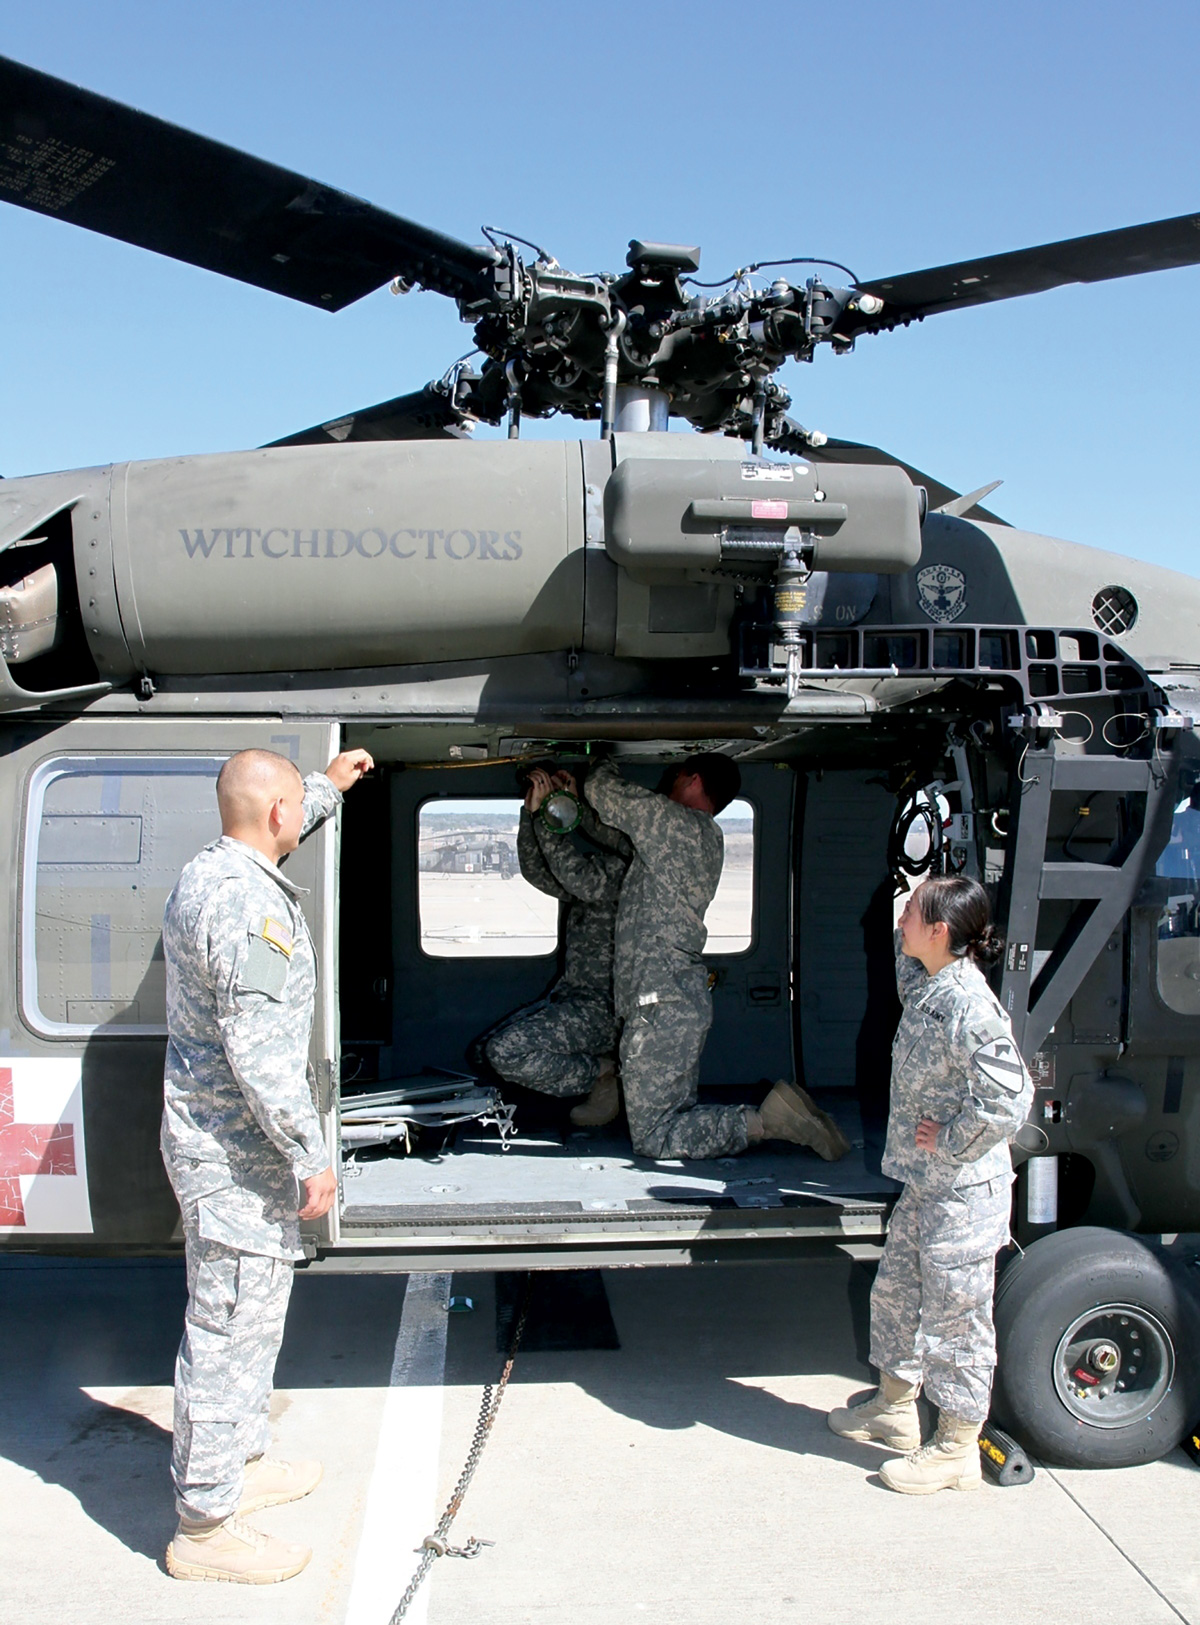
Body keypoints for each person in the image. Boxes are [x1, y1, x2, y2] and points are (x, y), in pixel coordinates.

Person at [161, 745, 373, 1583]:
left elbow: (276, 812)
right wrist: (309, 1155)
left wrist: (326, 783)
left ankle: (241, 1460)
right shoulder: (253, 909)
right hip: (238, 1157)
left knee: (250, 1319)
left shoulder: (207, 873)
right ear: (277, 815)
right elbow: (261, 1052)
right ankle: (205, 1524)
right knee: (227, 1330)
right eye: (297, 805)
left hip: (223, 1148)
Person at [827, 874, 1033, 1494]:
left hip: (964, 1194)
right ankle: (894, 1410)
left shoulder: (970, 1004)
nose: (902, 921)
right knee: (896, 1295)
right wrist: (904, 888)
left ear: (940, 932)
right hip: (927, 1188)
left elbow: (1009, 1101)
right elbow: (905, 955)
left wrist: (946, 1139)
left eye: (913, 913)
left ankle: (955, 1449)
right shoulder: (930, 984)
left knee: (956, 1319)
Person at [583, 754, 850, 1161]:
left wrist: (603, 756)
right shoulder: (697, 835)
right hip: (670, 1000)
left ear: (692, 780)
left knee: (656, 1135)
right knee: (670, 1116)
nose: (664, 790)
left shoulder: (675, 825)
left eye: (672, 780)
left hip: (661, 1002)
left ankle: (768, 1121)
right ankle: (780, 1116)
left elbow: (601, 791)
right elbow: (618, 834)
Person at [486, 766, 630, 1126]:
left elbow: (579, 878)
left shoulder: (626, 871)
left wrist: (550, 817)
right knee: (482, 1050)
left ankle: (601, 1072)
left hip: (607, 1008)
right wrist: (531, 816)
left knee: (503, 1053)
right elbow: (538, 871)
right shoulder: (596, 878)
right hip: (574, 998)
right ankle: (596, 1073)